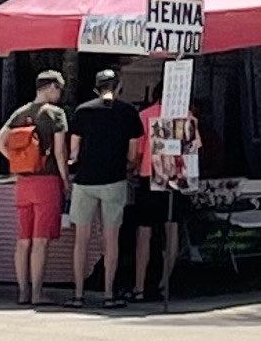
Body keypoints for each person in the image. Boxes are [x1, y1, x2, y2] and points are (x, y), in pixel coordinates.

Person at [64, 65, 144, 305]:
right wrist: (129, 167)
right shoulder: (128, 112)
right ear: (119, 87)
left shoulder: (82, 111)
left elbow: (73, 151)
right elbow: (133, 153)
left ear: (95, 89)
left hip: (85, 181)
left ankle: (78, 294)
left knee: (81, 239)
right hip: (114, 179)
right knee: (111, 239)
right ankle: (109, 294)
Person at [0, 70, 71, 307]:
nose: (60, 94)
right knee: (40, 240)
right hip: (46, 181)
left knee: (23, 240)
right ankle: (37, 293)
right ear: (51, 87)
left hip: (23, 182)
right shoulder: (56, 114)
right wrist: (65, 180)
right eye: (59, 89)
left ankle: (23, 292)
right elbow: (59, 152)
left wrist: (17, 161)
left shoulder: (20, 112)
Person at [130, 97, 200, 305]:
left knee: (144, 232)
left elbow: (138, 151)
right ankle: (164, 282)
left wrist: (134, 167)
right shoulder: (186, 117)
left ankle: (139, 286)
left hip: (148, 175)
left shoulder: (144, 115)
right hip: (177, 178)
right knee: (172, 229)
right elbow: (194, 149)